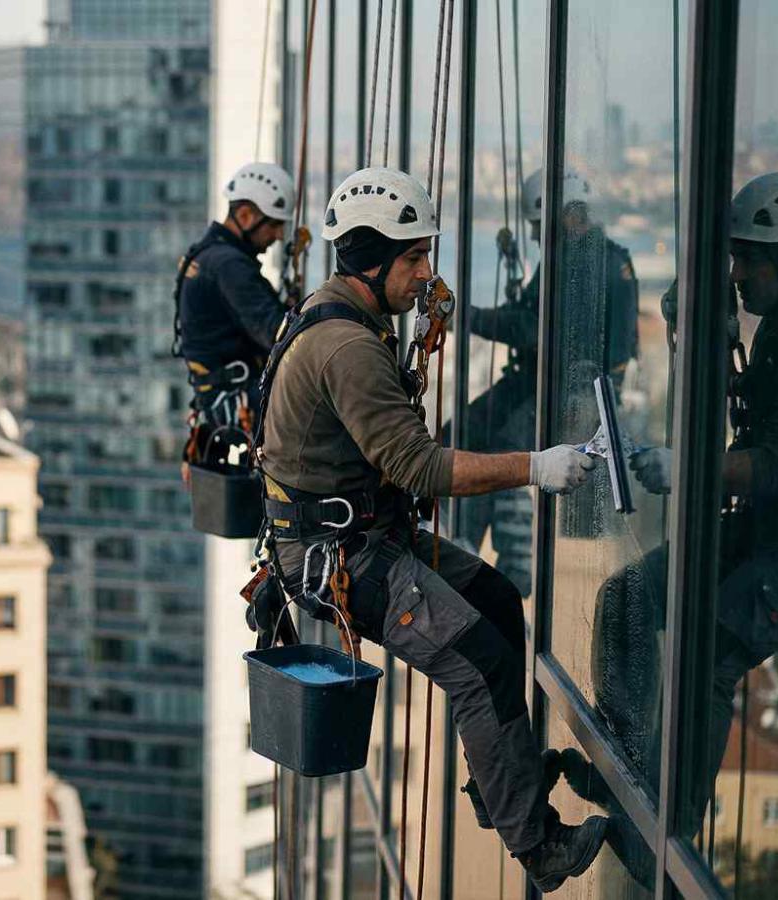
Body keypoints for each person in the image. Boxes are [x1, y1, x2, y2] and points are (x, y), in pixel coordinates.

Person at [249, 166, 607, 892]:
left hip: (363, 536)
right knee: (480, 663)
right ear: (371, 258)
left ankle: (499, 783)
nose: (425, 274)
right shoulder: (348, 347)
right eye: (413, 258)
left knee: (498, 603)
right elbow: (419, 466)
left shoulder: (341, 313)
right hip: (342, 557)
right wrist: (536, 467)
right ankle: (538, 847)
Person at [574, 172, 778, 874]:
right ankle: (630, 773)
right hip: (763, 531)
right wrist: (696, 327)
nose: (738, 274)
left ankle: (669, 833)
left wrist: (691, 468)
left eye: (748, 261)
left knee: (709, 662)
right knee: (625, 598)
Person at [452, 169, 640, 592]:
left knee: (501, 451)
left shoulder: (580, 262)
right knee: (463, 433)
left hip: (571, 394)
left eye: (539, 226)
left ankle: (513, 561)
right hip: (565, 386)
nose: (536, 237)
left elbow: (531, 328)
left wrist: (468, 317)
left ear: (562, 217)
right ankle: (464, 542)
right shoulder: (600, 256)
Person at [173, 162, 294, 434]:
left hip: (221, 399)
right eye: (274, 224)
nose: (278, 236)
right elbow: (277, 334)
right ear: (245, 215)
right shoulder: (229, 266)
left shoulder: (207, 254)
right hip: (241, 399)